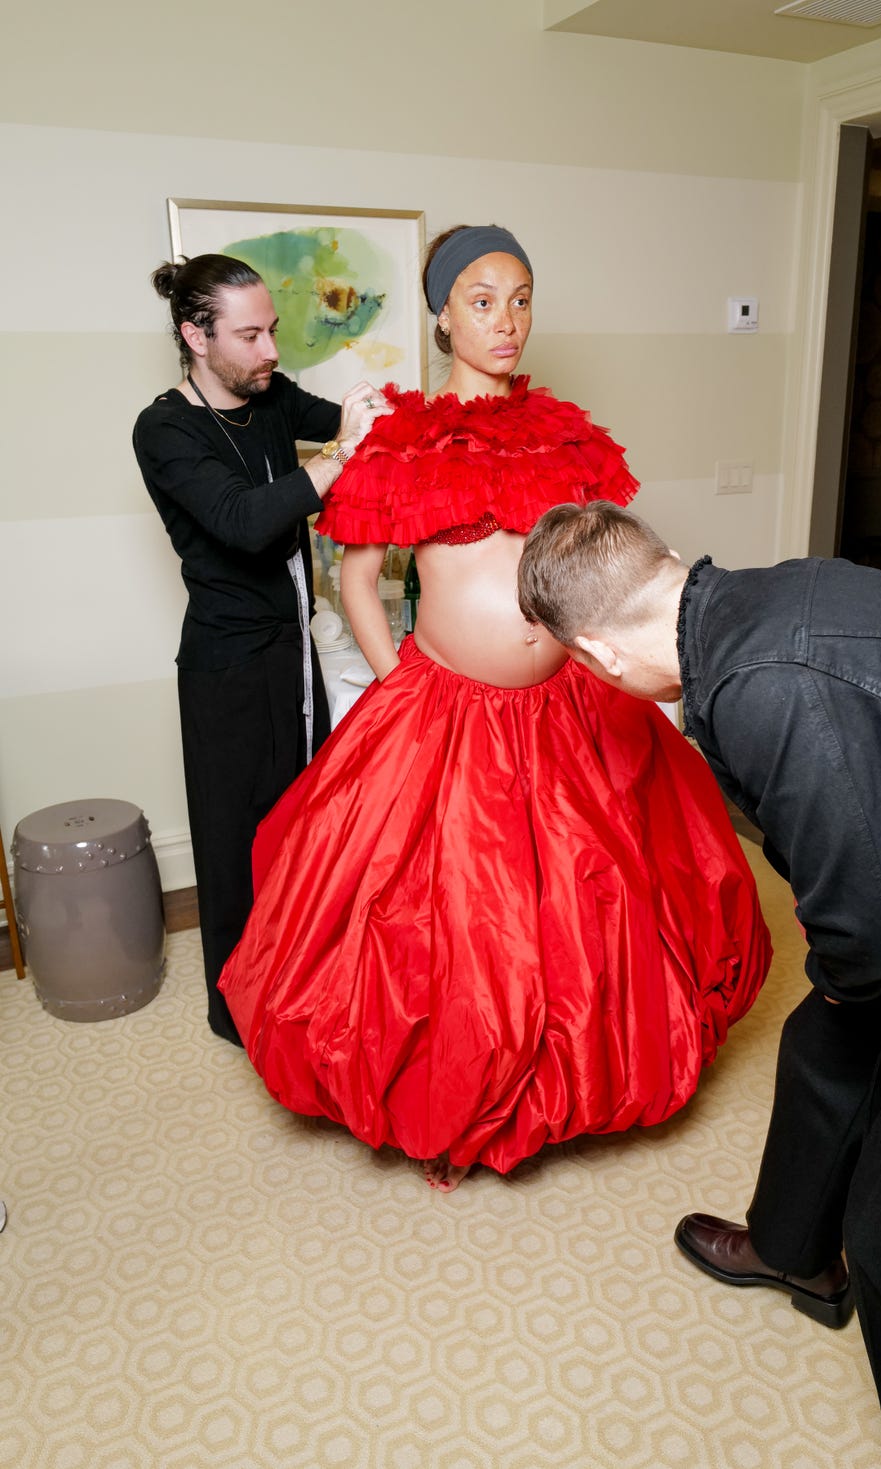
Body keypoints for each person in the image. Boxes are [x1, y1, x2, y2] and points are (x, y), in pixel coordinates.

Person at [218, 225, 771, 1190]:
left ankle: (566, 1084)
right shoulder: (399, 438)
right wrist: (397, 681)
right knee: (448, 922)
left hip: (566, 703)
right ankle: (459, 1090)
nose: (507, 321)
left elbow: (601, 565)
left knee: (590, 907)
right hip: (444, 704)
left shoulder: (569, 437)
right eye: (482, 300)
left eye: (520, 298)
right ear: (442, 313)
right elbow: (355, 582)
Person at [516, 499, 881, 1469]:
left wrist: (853, 977)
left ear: (595, 654)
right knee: (823, 1038)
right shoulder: (747, 603)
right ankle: (793, 1249)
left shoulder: (770, 681)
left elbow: (879, 934)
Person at [133, 253, 387, 1044]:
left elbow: (352, 425)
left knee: (300, 824)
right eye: (251, 335)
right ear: (196, 335)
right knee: (234, 839)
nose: (273, 350)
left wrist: (395, 415)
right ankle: (236, 1013)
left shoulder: (269, 397)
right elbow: (244, 520)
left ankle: (295, 984)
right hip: (226, 666)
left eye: (272, 330)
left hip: (291, 651)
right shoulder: (165, 429)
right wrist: (344, 453)